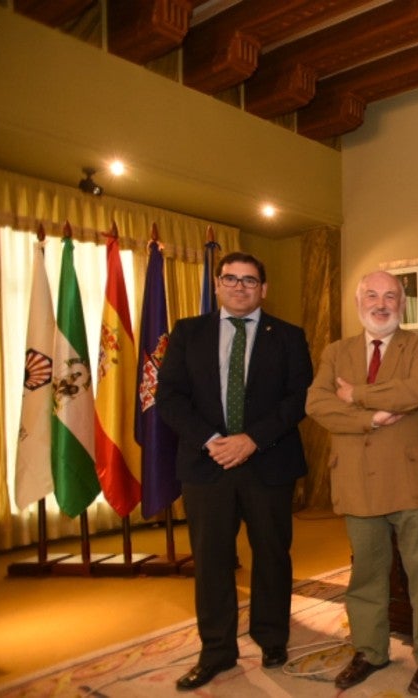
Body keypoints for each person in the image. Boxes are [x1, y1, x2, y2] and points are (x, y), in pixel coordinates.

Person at [157, 252, 312, 691]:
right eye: (231, 278)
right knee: (210, 561)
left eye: (249, 280)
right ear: (218, 284)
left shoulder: (288, 336)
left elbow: (298, 398)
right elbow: (168, 396)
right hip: (207, 465)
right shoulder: (188, 332)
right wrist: (213, 440)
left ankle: (272, 637)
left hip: (269, 461)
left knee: (272, 556)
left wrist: (252, 440)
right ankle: (217, 651)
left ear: (263, 288)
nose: (240, 286)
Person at [304, 271, 418, 694]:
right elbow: (316, 402)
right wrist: (370, 418)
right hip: (357, 481)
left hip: (412, 480)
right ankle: (370, 650)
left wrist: (357, 396)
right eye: (372, 295)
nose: (380, 303)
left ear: (402, 304)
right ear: (358, 302)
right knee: (365, 574)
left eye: (390, 296)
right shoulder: (336, 351)